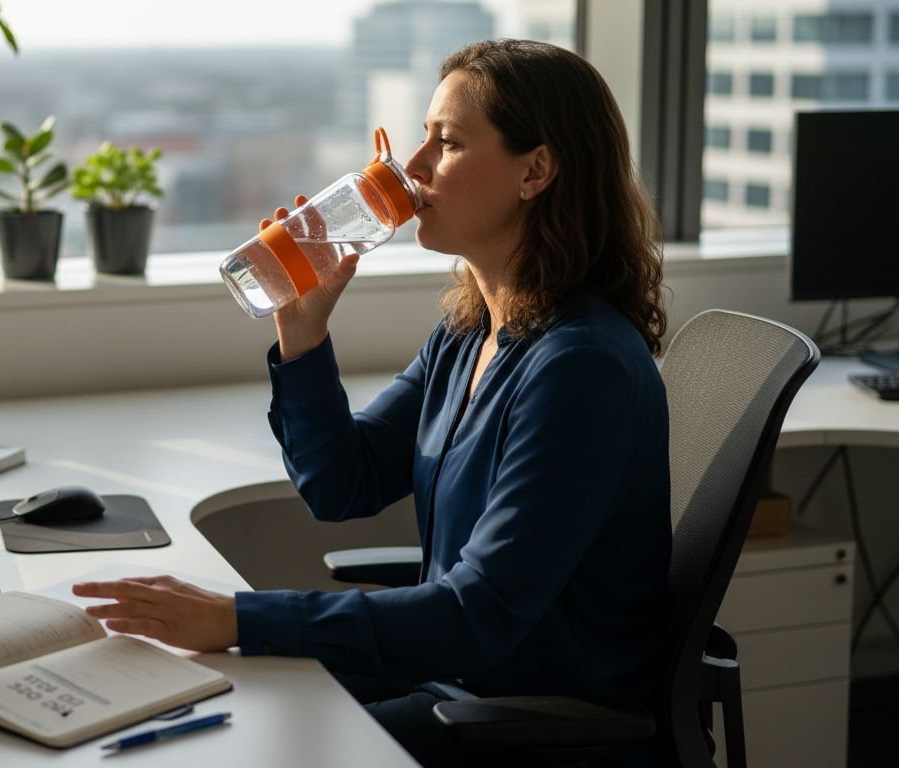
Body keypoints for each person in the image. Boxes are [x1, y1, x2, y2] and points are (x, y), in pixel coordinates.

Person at [73, 39, 671, 766]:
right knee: (211, 709)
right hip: (456, 681)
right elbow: (339, 483)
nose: (412, 169)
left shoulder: (581, 369)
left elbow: (474, 616)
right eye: (420, 138)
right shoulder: (470, 332)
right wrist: (303, 331)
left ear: (535, 171)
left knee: (249, 739)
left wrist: (235, 616)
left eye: (446, 144)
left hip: (530, 718)